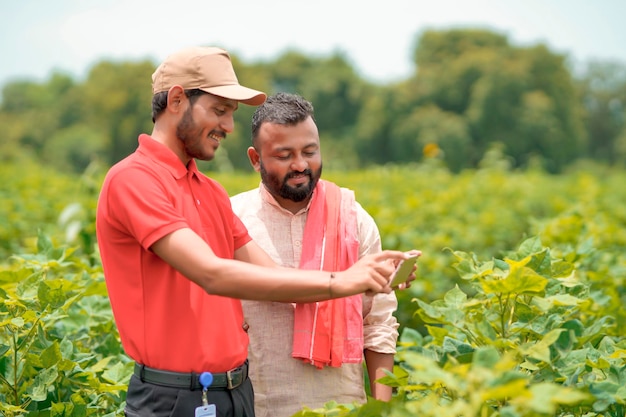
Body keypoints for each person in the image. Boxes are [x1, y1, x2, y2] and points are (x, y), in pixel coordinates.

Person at [95, 46, 412, 417]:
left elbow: (272, 278)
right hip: (174, 397)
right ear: (177, 99)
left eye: (230, 114)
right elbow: (211, 274)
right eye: (218, 110)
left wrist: (367, 276)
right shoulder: (134, 180)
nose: (228, 126)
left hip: (234, 394)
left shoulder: (208, 192)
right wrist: (340, 282)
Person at [231, 92, 414, 417]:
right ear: (255, 159)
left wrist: (382, 409)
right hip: (254, 405)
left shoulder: (353, 220)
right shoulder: (232, 219)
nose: (300, 165)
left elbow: (378, 324)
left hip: (340, 405)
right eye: (284, 155)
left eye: (309, 152)